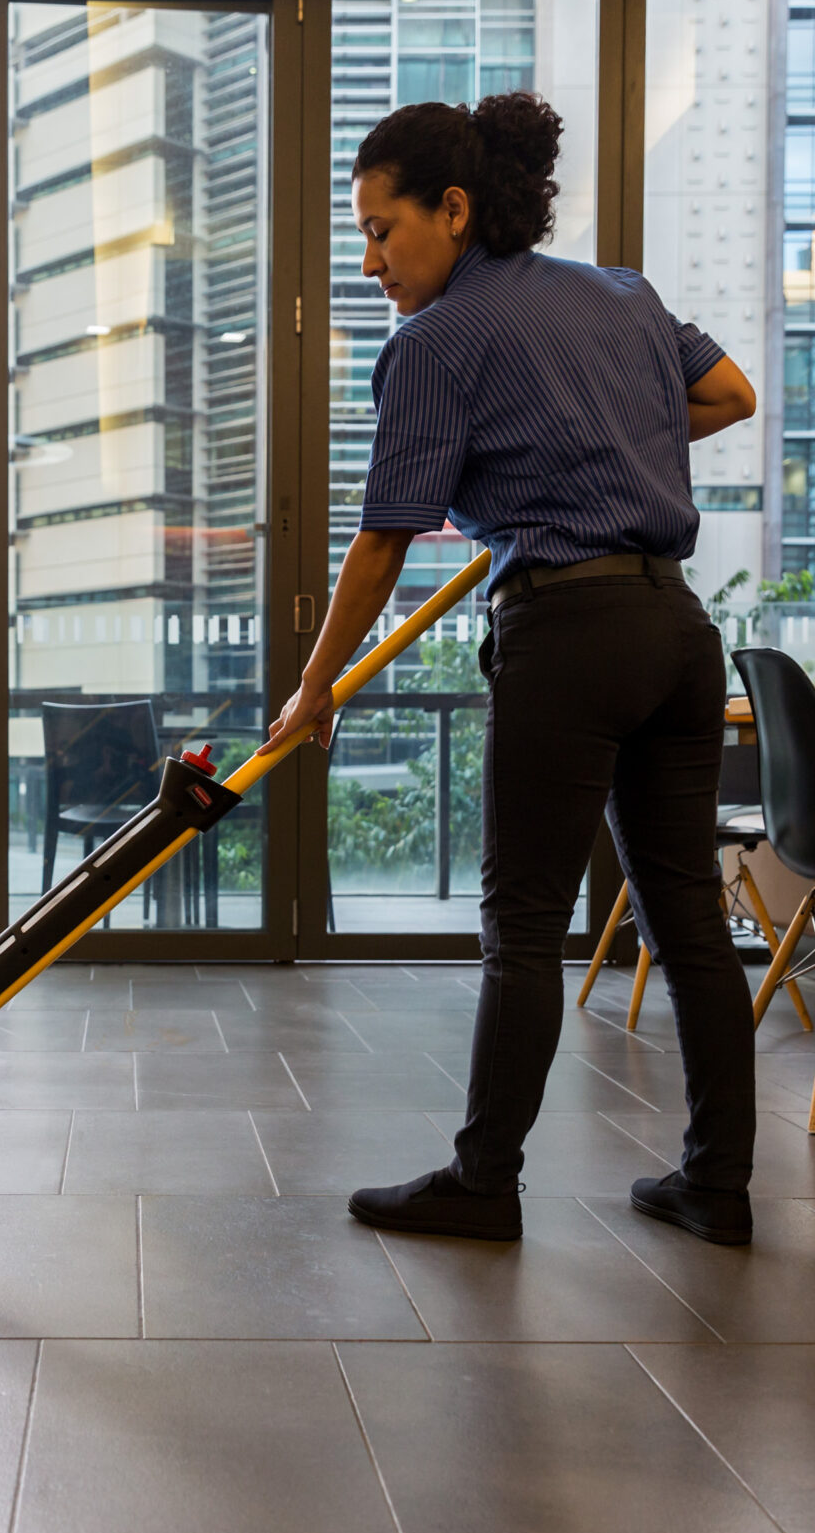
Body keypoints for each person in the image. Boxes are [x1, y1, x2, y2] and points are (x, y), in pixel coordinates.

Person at [264, 93, 763, 1246]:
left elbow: (386, 534)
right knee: (686, 918)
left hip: (568, 634)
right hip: (675, 634)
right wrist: (611, 428)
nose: (369, 258)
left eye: (382, 230)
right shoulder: (624, 293)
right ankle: (716, 1184)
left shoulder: (434, 344)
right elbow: (727, 394)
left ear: (453, 209)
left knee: (525, 924)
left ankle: (484, 1183)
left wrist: (315, 684)